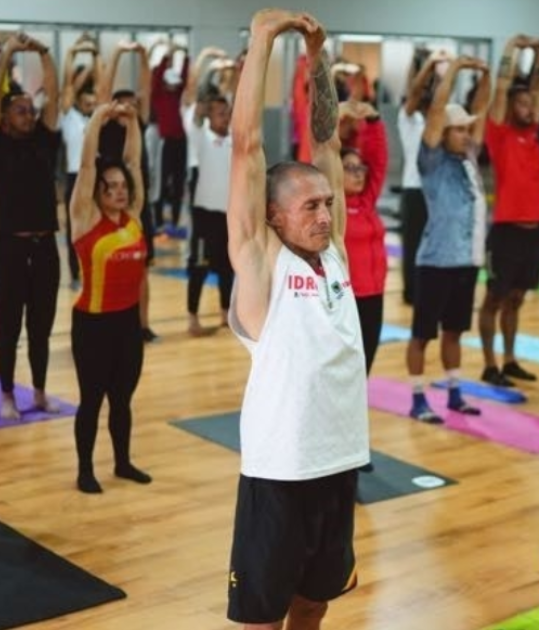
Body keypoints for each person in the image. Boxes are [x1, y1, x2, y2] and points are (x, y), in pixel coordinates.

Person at [226, 10, 370, 629]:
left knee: (314, 605)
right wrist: (263, 41)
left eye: (327, 203)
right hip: (280, 473)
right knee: (263, 617)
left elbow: (328, 140)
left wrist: (318, 55)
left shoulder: (332, 252)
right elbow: (246, 146)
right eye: (308, 205)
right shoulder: (261, 263)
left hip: (338, 464)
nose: (322, 213)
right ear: (275, 217)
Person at [67, 102, 152, 494]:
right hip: (93, 325)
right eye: (110, 187)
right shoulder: (85, 219)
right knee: (92, 400)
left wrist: (133, 121)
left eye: (122, 187)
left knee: (123, 399)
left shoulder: (133, 216)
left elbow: (135, 163)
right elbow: (86, 170)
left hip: (127, 324)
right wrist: (99, 121)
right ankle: (85, 469)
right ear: (97, 192)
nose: (119, 192)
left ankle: (122, 462)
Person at [406, 55, 492, 423]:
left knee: (454, 332)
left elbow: (483, 110)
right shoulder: (431, 159)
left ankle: (455, 393)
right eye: (459, 130)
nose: (466, 134)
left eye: (466, 130)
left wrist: (487, 74)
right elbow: (438, 109)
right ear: (444, 133)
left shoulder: (468, 156)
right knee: (423, 334)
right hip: (437, 261)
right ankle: (417, 398)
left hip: (467, 262)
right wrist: (454, 70)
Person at [0, 33, 63, 419]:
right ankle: (7, 393)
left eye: (31, 110)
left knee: (41, 326)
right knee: (9, 327)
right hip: (10, 248)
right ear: (6, 117)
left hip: (45, 246)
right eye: (21, 111)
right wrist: (9, 52)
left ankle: (41, 390)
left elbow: (55, 92)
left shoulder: (45, 141)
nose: (28, 115)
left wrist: (43, 52)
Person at [480, 34, 539, 388]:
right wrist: (510, 49)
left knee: (517, 299)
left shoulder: (533, 130)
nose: (528, 108)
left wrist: (537, 51)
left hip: (534, 231)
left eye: (529, 104)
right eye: (521, 104)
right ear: (510, 108)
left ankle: (509, 360)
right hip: (506, 231)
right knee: (494, 298)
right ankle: (489, 364)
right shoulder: (499, 133)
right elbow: (505, 83)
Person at [96, 41, 160, 342]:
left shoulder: (138, 125)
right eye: (123, 105)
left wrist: (144, 56)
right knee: (109, 265)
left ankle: (143, 325)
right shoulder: (105, 128)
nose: (129, 108)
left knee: (142, 268)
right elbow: (102, 91)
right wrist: (119, 53)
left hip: (137, 204)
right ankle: (109, 322)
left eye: (132, 105)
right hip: (108, 202)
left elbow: (145, 91)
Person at [339, 100, 388, 372]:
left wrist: (374, 121)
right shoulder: (332, 205)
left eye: (360, 169)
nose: (358, 174)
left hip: (374, 295)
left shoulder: (367, 201)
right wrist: (337, 118)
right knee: (343, 369)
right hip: (346, 299)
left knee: (364, 366)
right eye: (350, 168)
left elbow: (378, 161)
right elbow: (322, 153)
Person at [185, 93, 236, 336]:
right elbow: (195, 116)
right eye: (219, 113)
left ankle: (226, 314)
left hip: (228, 215)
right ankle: (192, 317)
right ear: (209, 116)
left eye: (227, 113)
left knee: (227, 267)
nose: (225, 118)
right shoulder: (201, 137)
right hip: (204, 214)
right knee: (199, 266)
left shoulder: (234, 140)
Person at [399, 49, 440, 306]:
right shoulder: (409, 118)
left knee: (434, 244)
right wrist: (429, 65)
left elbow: (438, 94)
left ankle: (430, 289)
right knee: (413, 245)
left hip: (435, 191)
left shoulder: (437, 121)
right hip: (414, 189)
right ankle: (412, 292)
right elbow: (414, 92)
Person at [59, 36, 101, 290]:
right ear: (78, 103)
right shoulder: (69, 116)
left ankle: (93, 271)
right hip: (75, 177)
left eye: (94, 103)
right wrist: (73, 52)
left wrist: (95, 54)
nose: (91, 106)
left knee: (96, 225)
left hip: (96, 177)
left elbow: (101, 84)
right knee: (75, 226)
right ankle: (75, 275)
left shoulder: (97, 117)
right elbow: (67, 89)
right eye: (87, 103)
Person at [151, 40, 190, 235]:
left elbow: (186, 76)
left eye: (176, 84)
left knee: (178, 183)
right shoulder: (158, 96)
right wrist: (168, 55)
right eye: (171, 83)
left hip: (181, 143)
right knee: (160, 182)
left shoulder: (178, 96)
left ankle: (174, 220)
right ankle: (158, 220)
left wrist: (186, 56)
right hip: (164, 143)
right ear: (165, 83)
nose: (174, 87)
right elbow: (157, 77)